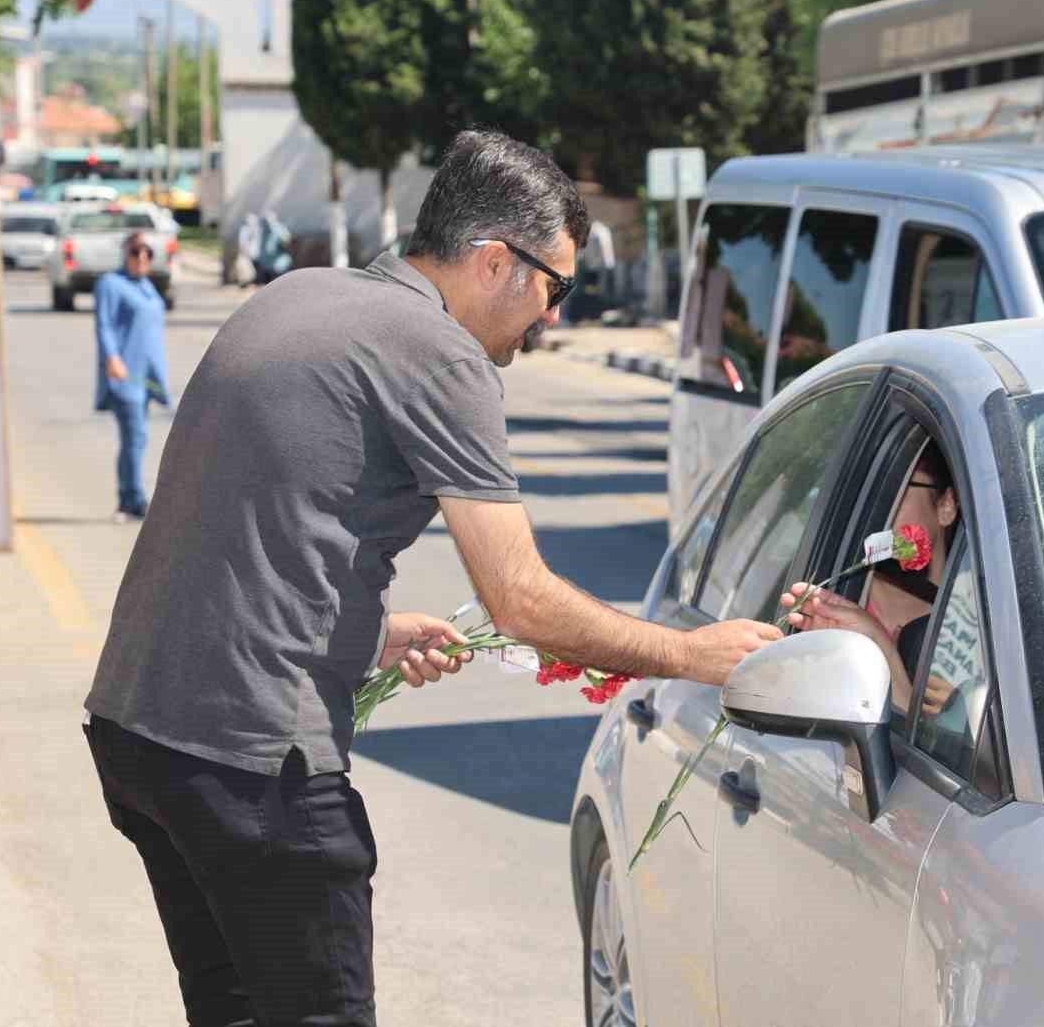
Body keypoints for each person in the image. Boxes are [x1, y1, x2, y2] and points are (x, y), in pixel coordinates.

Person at [82, 130, 780, 1027]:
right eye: (555, 289)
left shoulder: (296, 295)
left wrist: (367, 636)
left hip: (142, 734)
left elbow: (243, 528)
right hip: (254, 766)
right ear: (495, 262)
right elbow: (520, 598)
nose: (553, 318)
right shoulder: (440, 353)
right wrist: (691, 654)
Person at [780, 440, 961, 717]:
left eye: (897, 490)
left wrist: (960, 716)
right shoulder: (835, 604)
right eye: (874, 495)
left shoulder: (978, 626)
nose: (882, 509)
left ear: (946, 505)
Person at [94, 231, 170, 521]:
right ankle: (132, 500)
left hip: (147, 377)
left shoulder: (148, 287)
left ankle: (130, 499)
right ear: (125, 253)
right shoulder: (111, 285)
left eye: (147, 253)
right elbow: (104, 325)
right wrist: (112, 358)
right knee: (135, 437)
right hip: (124, 377)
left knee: (137, 439)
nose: (141, 258)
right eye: (135, 252)